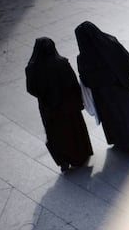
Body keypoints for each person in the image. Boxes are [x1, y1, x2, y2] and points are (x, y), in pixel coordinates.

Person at [74, 21, 129, 152]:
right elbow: (126, 58)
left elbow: (86, 79)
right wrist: (125, 78)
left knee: (113, 119)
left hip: (104, 96)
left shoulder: (84, 58)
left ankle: (121, 141)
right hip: (121, 88)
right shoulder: (111, 42)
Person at [25, 37, 93, 173]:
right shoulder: (62, 63)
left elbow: (31, 89)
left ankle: (64, 160)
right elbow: (73, 83)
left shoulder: (32, 68)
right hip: (68, 107)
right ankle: (80, 156)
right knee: (74, 130)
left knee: (56, 135)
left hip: (49, 109)